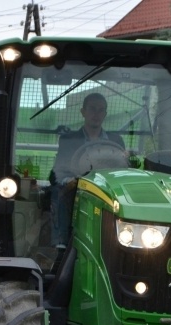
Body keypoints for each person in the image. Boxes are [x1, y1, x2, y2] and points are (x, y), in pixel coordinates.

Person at [49, 93, 125, 255]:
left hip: (107, 189)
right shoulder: (69, 140)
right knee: (58, 193)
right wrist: (71, 181)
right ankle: (61, 244)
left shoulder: (116, 140)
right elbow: (59, 172)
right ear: (83, 112)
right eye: (92, 109)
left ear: (105, 114)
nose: (96, 114)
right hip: (78, 187)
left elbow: (122, 168)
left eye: (101, 110)